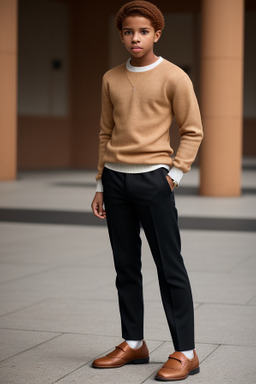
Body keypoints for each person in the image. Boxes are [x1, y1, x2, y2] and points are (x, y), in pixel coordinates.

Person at [91, 1, 203, 381]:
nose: (134, 38)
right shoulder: (111, 78)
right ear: (121, 35)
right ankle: (134, 342)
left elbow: (192, 131)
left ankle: (186, 351)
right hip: (116, 181)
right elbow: (106, 132)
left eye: (142, 31)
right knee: (126, 267)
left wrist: (173, 176)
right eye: (127, 31)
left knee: (170, 267)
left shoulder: (174, 77)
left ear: (157, 33)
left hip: (154, 179)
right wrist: (100, 184)